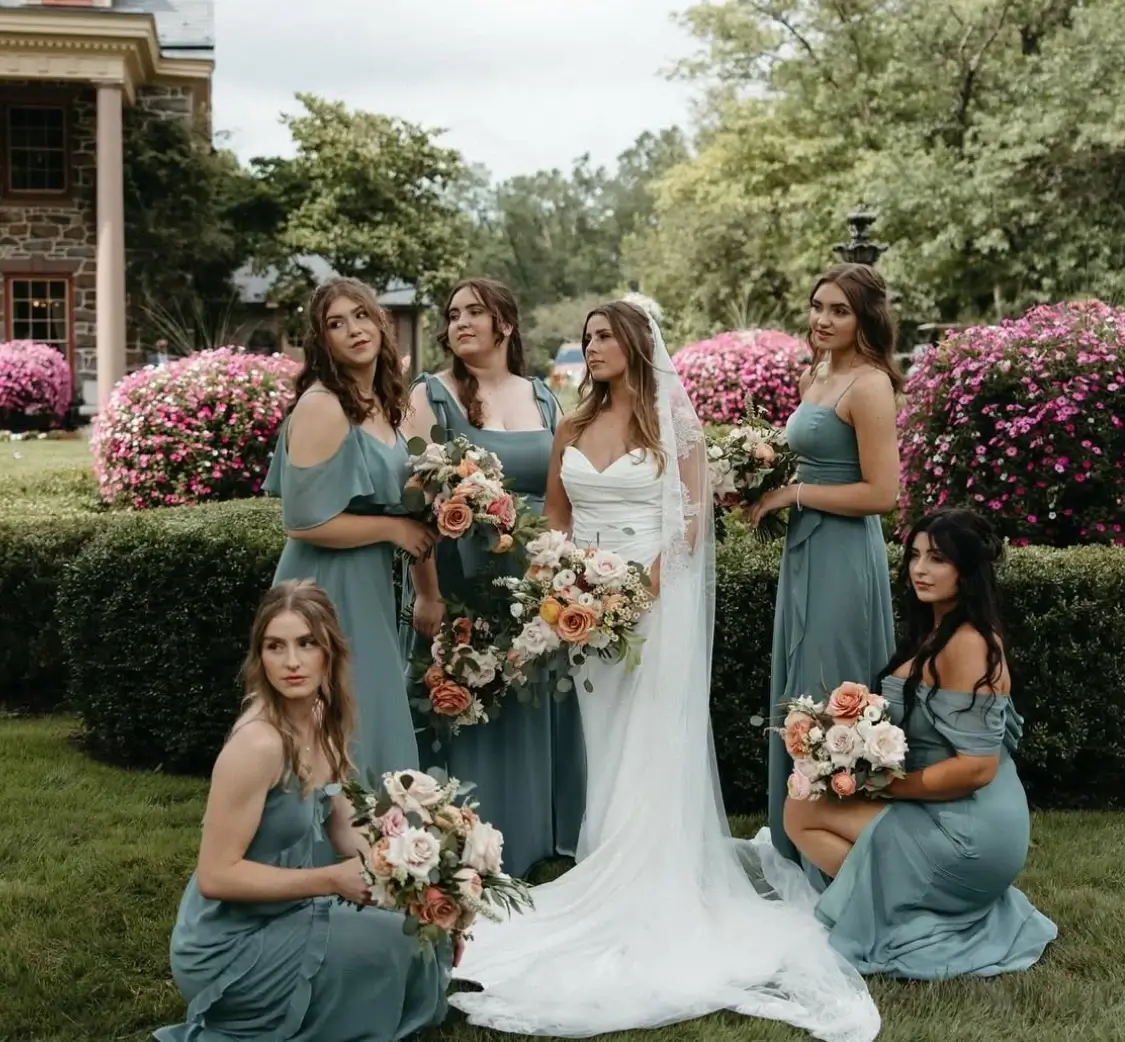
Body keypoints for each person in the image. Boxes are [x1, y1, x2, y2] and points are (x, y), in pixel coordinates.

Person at [449, 299, 880, 1042]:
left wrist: (636, 587)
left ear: (636, 344)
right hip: (584, 610)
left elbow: (688, 518)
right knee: (606, 741)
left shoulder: (670, 425)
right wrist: (566, 581)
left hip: (650, 605)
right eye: (586, 338)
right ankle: (605, 859)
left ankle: (653, 881)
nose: (592, 347)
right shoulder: (574, 424)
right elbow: (554, 514)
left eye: (604, 335)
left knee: (653, 739)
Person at [154, 580, 450, 1042]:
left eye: (306, 643)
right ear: (260, 657)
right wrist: (330, 881)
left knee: (413, 929)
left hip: (286, 910)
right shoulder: (258, 745)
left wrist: (416, 881)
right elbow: (216, 875)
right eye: (276, 646)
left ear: (328, 651)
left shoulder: (318, 718)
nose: (292, 662)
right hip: (228, 944)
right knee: (390, 943)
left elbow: (345, 827)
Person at [784, 508, 1058, 978]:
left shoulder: (969, 643)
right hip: (944, 806)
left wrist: (884, 787)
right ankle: (905, 903)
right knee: (804, 803)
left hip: (972, 827)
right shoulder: (935, 631)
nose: (919, 569)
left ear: (966, 571)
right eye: (914, 555)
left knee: (802, 813)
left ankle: (905, 915)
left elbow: (977, 769)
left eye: (936, 559)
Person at [399, 277, 585, 879]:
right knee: (471, 697)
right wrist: (427, 592)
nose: (460, 323)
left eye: (474, 312)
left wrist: (562, 573)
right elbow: (413, 501)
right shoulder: (430, 396)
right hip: (462, 576)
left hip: (534, 578)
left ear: (505, 323)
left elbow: (564, 496)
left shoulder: (545, 397)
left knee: (534, 698)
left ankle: (543, 840)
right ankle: (468, 843)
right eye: (452, 314)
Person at [749, 263, 899, 880]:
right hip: (806, 549)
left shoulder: (868, 385)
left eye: (839, 310)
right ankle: (799, 839)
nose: (823, 319)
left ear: (864, 318)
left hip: (841, 552)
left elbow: (883, 493)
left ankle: (834, 855)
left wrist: (795, 496)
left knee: (828, 686)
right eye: (817, 306)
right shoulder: (818, 373)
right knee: (798, 682)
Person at [264, 278, 435, 787]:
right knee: (334, 713)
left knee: (370, 704)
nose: (354, 330)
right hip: (325, 585)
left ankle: (381, 846)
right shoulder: (323, 405)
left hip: (367, 579)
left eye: (360, 315)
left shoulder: (382, 402)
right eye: (336, 324)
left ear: (380, 321)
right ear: (322, 342)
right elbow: (304, 520)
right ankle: (325, 850)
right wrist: (394, 527)